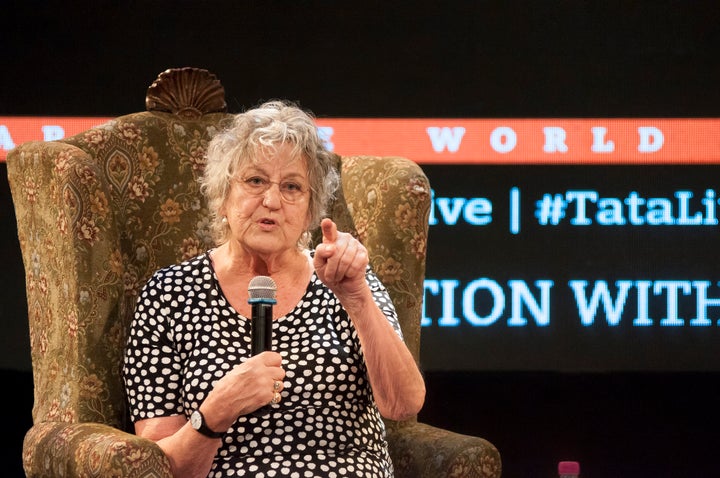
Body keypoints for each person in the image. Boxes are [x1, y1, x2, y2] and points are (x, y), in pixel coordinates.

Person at [122, 100, 426, 478]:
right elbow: (157, 467)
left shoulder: (343, 277)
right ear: (223, 195)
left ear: (309, 211)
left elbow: (403, 405)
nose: (271, 201)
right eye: (255, 181)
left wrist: (357, 299)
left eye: (292, 187)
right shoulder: (170, 294)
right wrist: (216, 411)